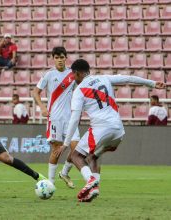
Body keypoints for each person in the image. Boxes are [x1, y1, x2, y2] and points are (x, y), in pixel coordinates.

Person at [63, 59, 165, 202]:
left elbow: (74, 119)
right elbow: (129, 78)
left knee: (76, 156)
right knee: (93, 157)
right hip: (118, 129)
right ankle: (94, 189)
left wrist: (66, 142)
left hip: (100, 127)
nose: (73, 78)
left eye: (73, 75)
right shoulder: (104, 78)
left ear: (77, 73)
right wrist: (153, 84)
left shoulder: (79, 91)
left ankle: (91, 180)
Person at [32, 46, 79, 188]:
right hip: (55, 118)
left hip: (70, 118)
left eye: (61, 57)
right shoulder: (48, 75)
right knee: (56, 151)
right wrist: (42, 107)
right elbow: (35, 92)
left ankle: (64, 172)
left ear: (66, 58)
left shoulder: (73, 75)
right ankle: (51, 183)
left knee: (77, 149)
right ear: (53, 59)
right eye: (56, 57)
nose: (59, 60)